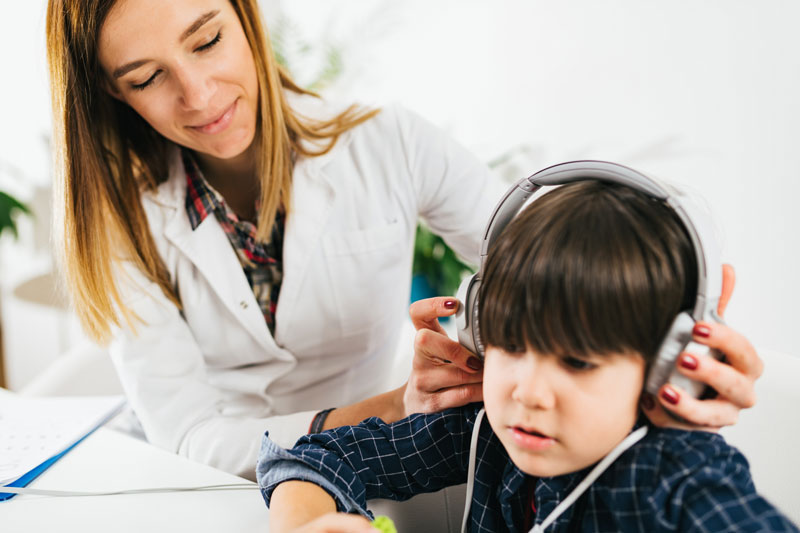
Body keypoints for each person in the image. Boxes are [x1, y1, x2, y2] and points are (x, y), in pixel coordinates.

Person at [46, 0, 762, 483]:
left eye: (207, 40)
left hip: (372, 470)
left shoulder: (385, 143)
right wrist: (393, 404)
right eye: (146, 78)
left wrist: (680, 351)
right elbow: (191, 440)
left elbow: (553, 258)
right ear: (112, 93)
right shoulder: (116, 221)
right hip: (203, 487)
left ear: (246, 17)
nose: (199, 95)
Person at [258, 179, 797, 532]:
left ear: (665, 366)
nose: (527, 391)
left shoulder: (682, 482)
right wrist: (310, 526)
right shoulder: (486, 430)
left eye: (578, 362)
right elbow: (310, 456)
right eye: (512, 346)